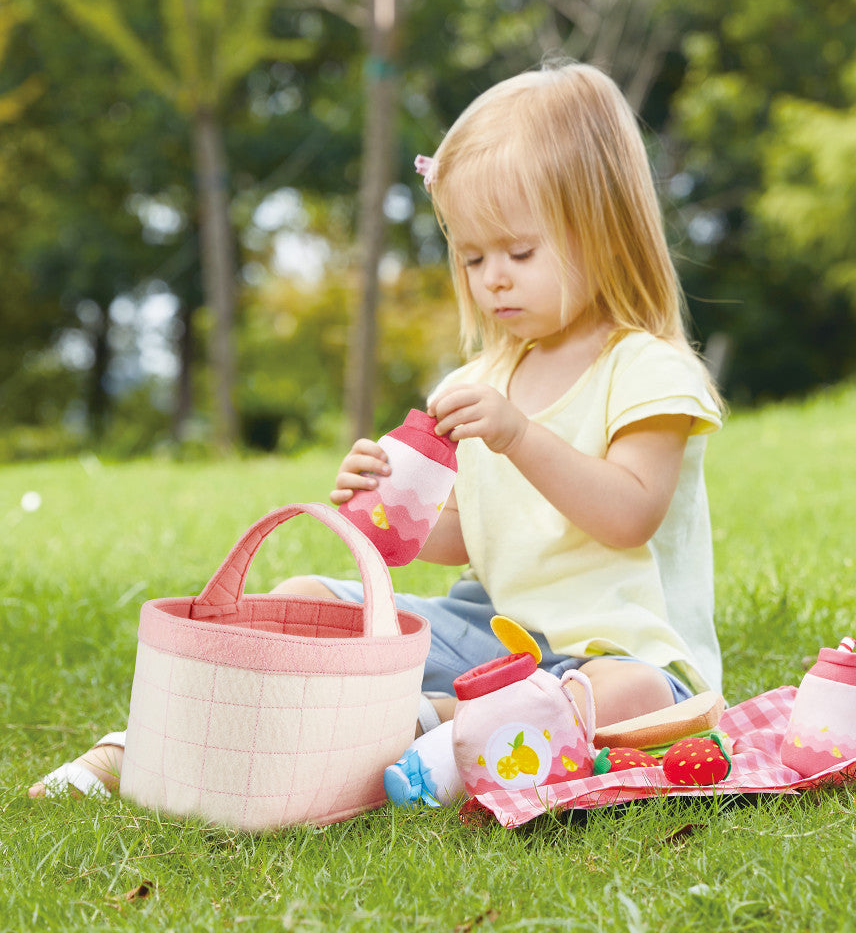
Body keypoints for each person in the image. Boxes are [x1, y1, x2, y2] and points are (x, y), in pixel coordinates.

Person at [30, 59, 723, 800]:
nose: (493, 277)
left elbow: (628, 514)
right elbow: (460, 536)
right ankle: (149, 744)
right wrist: (385, 506)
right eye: (471, 255)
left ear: (607, 234)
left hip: (616, 649)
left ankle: (417, 726)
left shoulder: (647, 370)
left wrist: (520, 436)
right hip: (492, 629)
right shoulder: (474, 383)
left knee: (639, 702)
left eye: (520, 252)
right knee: (304, 596)